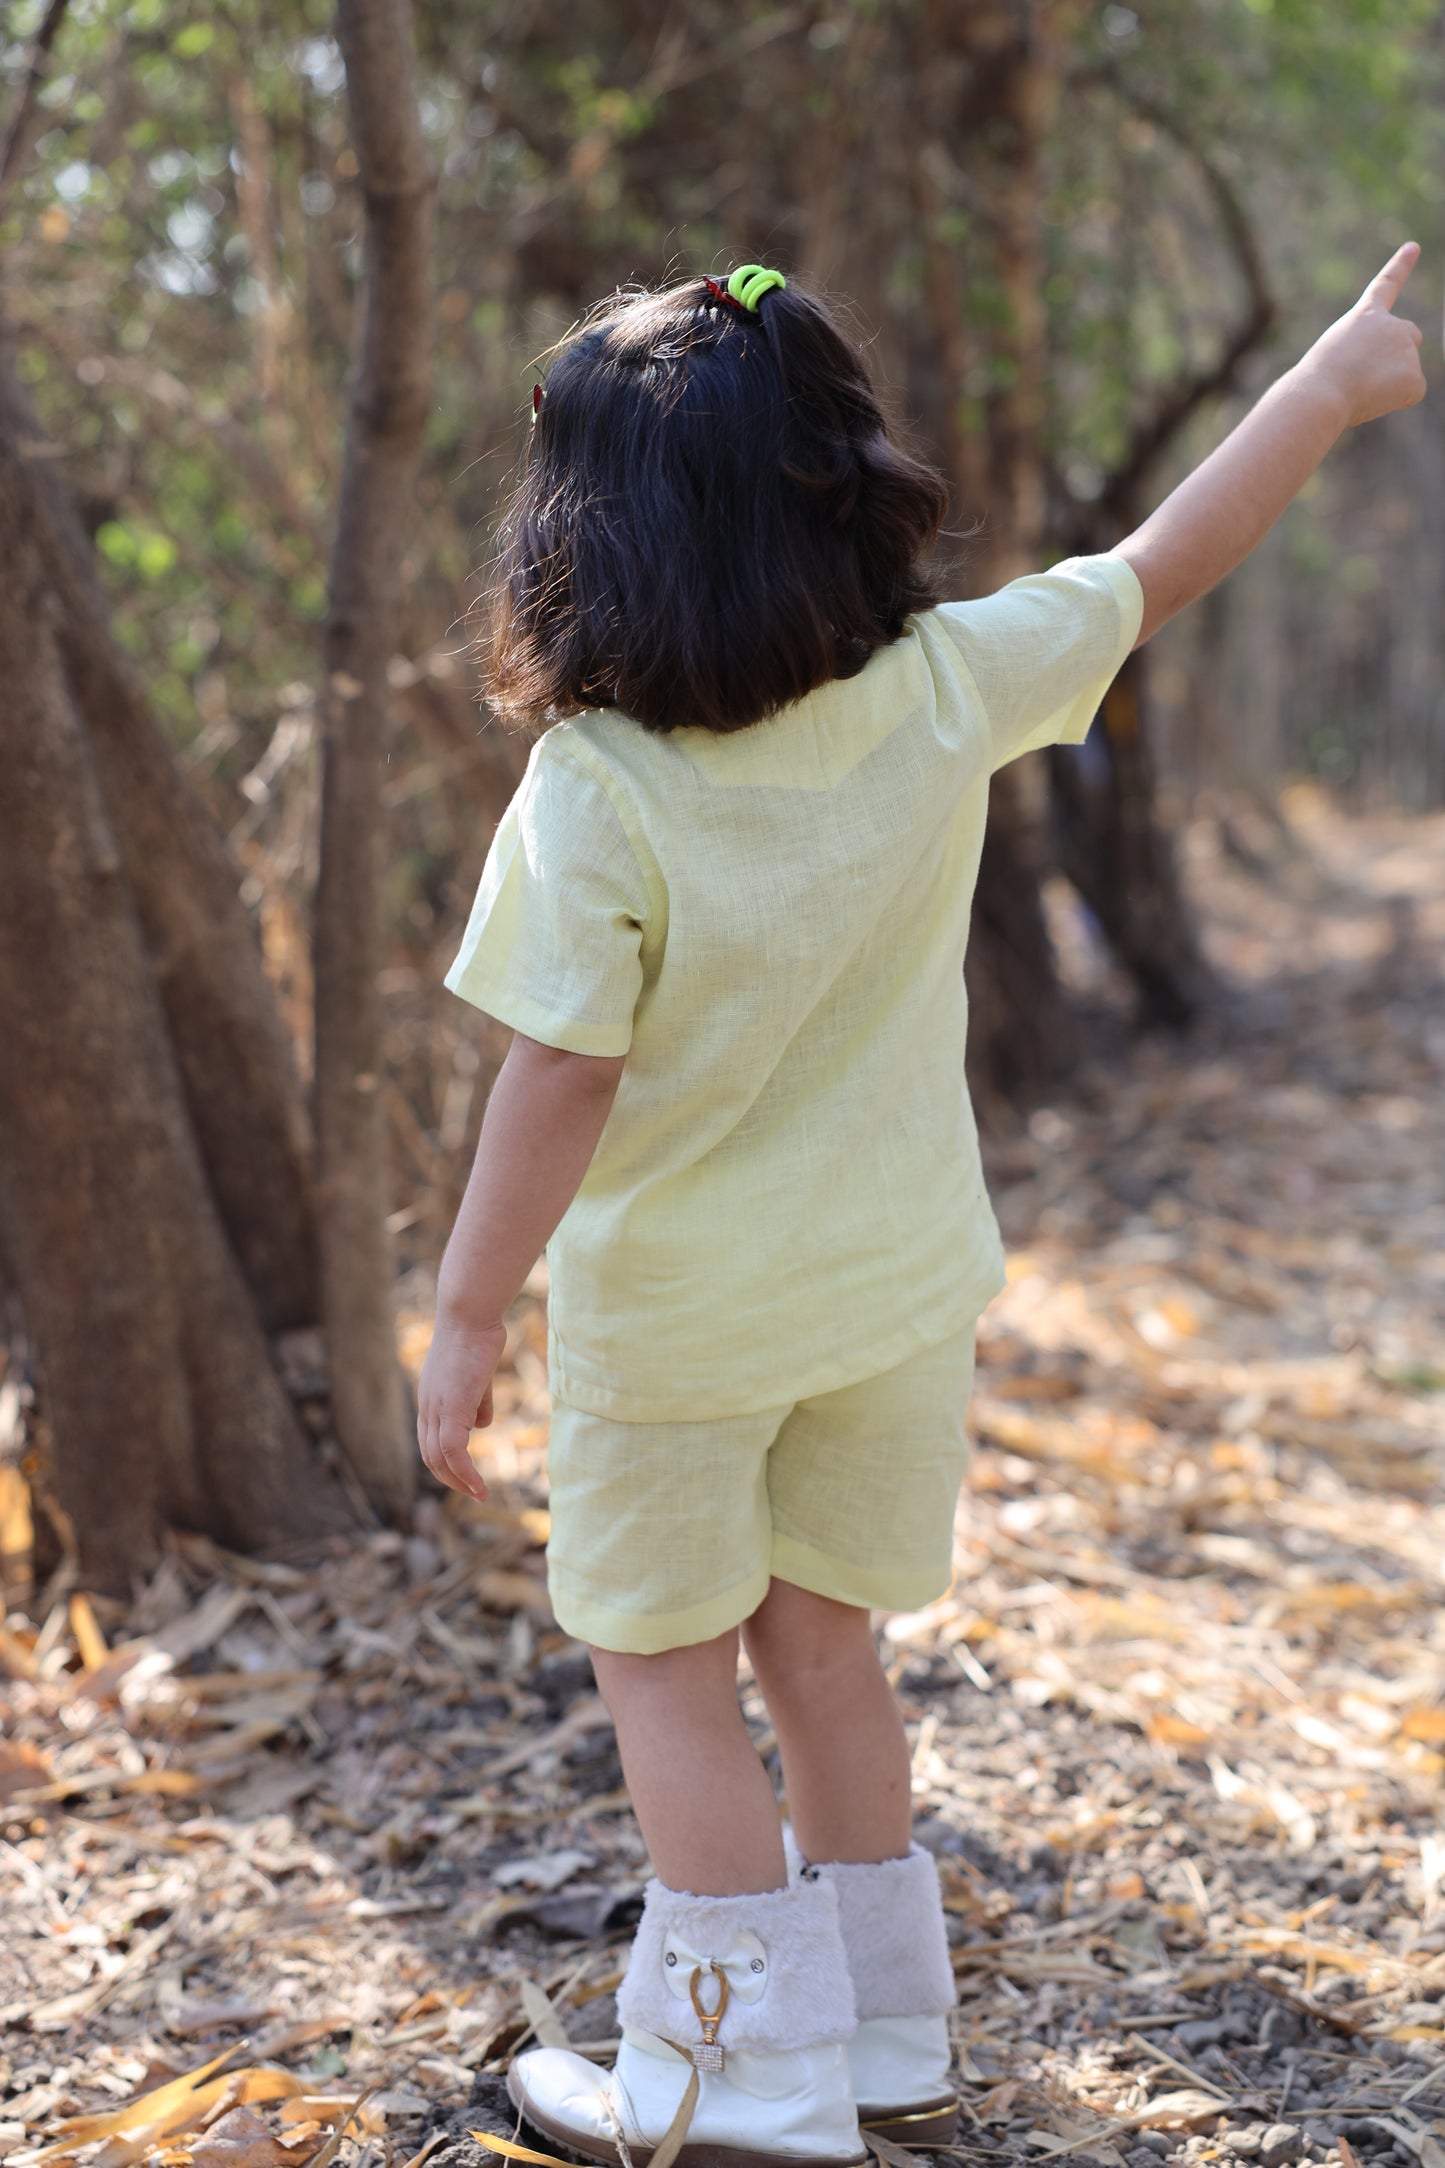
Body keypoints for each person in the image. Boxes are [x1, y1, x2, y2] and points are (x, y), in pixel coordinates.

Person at [418, 251, 1425, 2168]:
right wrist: (1318, 387)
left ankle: (733, 2072)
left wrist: (467, 1311)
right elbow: (1158, 563)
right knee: (823, 1654)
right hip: (891, 1298)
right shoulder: (941, 690)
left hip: (681, 1331)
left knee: (665, 1678)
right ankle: (883, 2030)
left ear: (588, 546)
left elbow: (559, 1072)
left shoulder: (594, 789)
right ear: (839, 493)